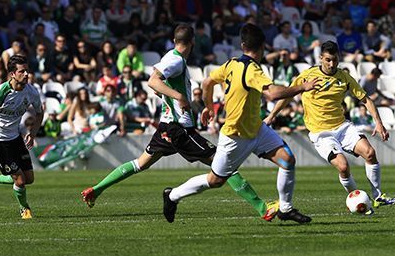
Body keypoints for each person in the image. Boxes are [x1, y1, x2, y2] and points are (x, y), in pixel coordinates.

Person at [81, 24, 279, 222]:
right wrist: (180, 97)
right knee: (223, 165)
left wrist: (167, 94)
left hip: (166, 127)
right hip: (179, 129)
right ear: (193, 42)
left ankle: (96, 190)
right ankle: (263, 208)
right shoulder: (176, 61)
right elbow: (153, 81)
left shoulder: (170, 56)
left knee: (139, 164)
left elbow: (158, 84)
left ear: (175, 41)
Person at [162, 24, 321, 224]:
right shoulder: (252, 69)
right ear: (263, 47)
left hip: (257, 129)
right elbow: (272, 93)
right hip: (235, 136)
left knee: (287, 160)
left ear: (243, 45)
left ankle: (286, 209)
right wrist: (303, 87)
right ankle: (172, 195)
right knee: (215, 180)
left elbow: (207, 82)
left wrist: (208, 106)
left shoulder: (231, 64)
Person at [265, 41, 395, 213]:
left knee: (370, 153)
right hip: (321, 133)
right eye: (327, 60)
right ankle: (356, 200)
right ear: (321, 58)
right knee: (343, 167)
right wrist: (271, 115)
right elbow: (288, 96)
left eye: (334, 60)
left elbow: (366, 99)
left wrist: (379, 123)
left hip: (342, 127)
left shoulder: (344, 77)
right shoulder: (307, 75)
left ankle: (378, 196)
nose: (331, 64)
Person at [0, 55, 43, 219]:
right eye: (22, 71)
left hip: (16, 138)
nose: (27, 74)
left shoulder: (31, 91)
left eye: (27, 70)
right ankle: (24, 209)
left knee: (29, 178)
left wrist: (32, 133)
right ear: (12, 74)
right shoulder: (1, 92)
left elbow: (40, 113)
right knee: (20, 180)